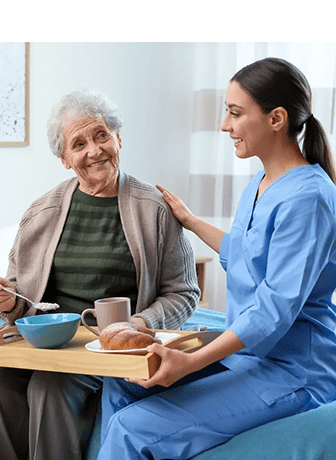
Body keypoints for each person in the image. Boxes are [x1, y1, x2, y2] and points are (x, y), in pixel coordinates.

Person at [97, 57, 336, 460]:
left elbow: (272, 310)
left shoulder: (309, 198)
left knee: (130, 427)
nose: (225, 125)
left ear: (276, 118)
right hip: (248, 356)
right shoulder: (260, 183)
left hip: (293, 371)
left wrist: (189, 364)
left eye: (235, 113)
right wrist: (189, 220)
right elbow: (244, 255)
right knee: (123, 378)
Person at [0, 89, 200, 460]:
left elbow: (184, 292)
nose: (94, 151)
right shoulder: (40, 213)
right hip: (47, 340)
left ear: (118, 139)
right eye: (78, 144)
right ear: (64, 158)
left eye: (101, 136)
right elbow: (18, 301)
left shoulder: (153, 210)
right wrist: (9, 301)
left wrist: (139, 323)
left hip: (106, 345)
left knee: (49, 388)